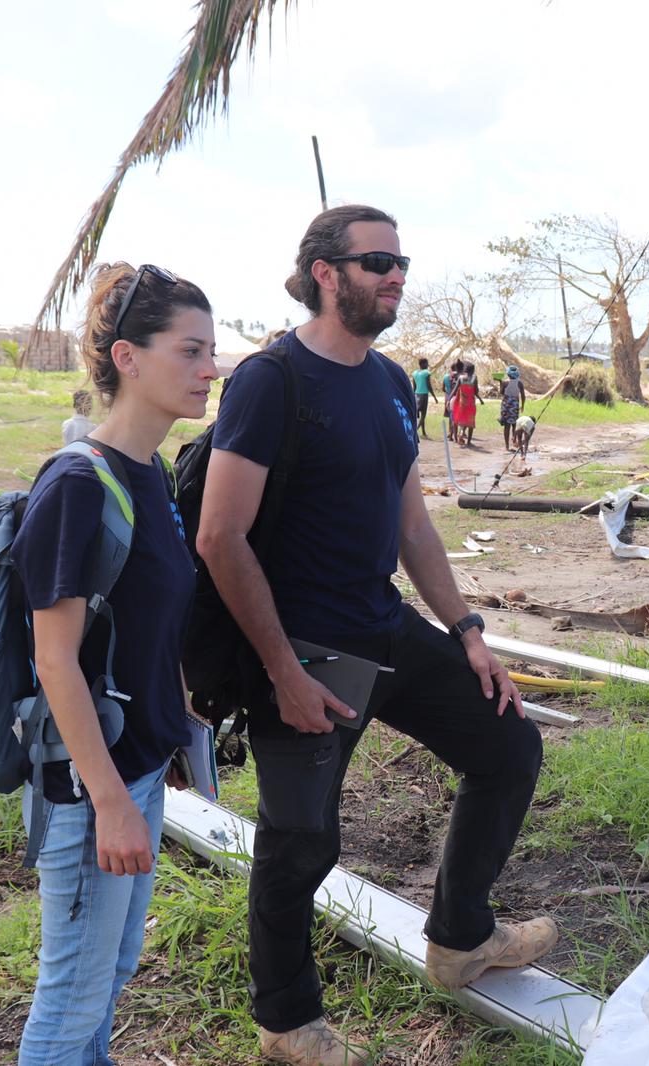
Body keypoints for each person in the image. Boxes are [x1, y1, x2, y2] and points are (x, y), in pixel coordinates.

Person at [197, 204, 552, 1066]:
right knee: (303, 839)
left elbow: (412, 525)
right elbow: (219, 536)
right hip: (310, 653)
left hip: (384, 628)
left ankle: (461, 938)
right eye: (378, 262)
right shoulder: (269, 381)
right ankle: (287, 1024)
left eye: (402, 261)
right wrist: (281, 670)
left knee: (508, 747)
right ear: (326, 272)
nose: (397, 275)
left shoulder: (392, 383)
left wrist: (465, 630)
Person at [11, 262, 217, 1065]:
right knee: (69, 1002)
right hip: (88, 789)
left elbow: (146, 625)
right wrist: (109, 805)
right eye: (191, 351)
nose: (211, 369)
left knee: (108, 979)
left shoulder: (154, 473)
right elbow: (54, 661)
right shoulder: (77, 485)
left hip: (134, 769)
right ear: (128, 358)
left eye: (212, 351)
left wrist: (174, 726)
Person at [453, 363, 479, 447]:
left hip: (462, 403)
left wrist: (449, 399)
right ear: (473, 370)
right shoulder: (474, 378)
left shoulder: (460, 378)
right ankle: (468, 442)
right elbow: (476, 391)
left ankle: (460, 435)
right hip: (471, 403)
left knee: (461, 419)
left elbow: (455, 390)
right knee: (470, 422)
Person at [498, 365, 524, 451]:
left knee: (506, 426)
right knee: (514, 424)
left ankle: (507, 446)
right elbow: (523, 396)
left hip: (506, 406)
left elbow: (501, 393)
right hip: (515, 406)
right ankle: (514, 439)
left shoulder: (505, 383)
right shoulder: (519, 383)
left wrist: (500, 382)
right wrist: (522, 406)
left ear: (508, 374)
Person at [411, 357, 436, 439]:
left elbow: (414, 387)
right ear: (424, 364)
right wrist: (434, 397)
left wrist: (412, 396)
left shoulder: (414, 373)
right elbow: (429, 386)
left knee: (417, 413)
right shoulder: (426, 373)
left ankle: (423, 432)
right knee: (423, 415)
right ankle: (415, 430)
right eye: (427, 363)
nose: (428, 365)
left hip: (416, 394)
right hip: (424, 395)